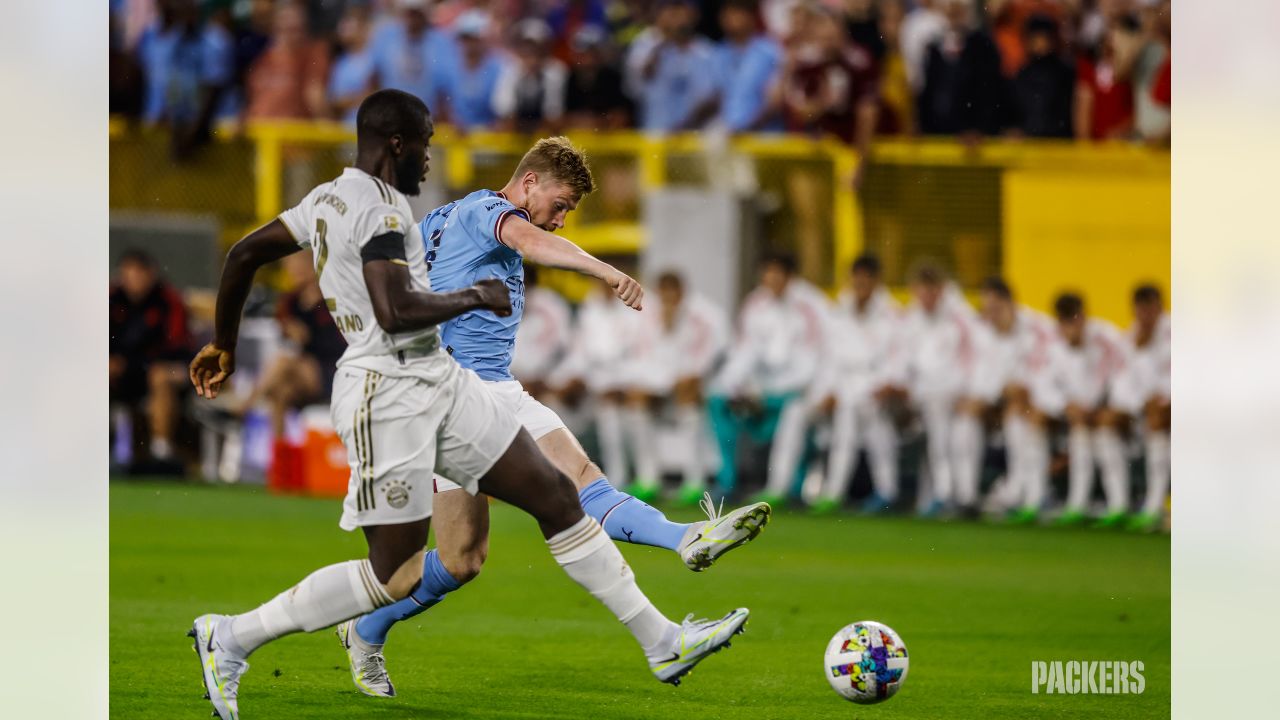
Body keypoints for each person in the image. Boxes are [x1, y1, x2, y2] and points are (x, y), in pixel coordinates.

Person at [187, 91, 749, 720]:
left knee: (535, 510)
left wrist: (223, 343)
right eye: (426, 144)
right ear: (396, 144)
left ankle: (664, 636)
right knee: (394, 574)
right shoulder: (405, 213)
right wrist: (489, 293)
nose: (432, 159)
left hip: (448, 386)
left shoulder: (330, 201)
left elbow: (243, 254)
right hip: (395, 393)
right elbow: (400, 308)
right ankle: (235, 635)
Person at [333, 134, 768, 697]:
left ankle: (363, 629)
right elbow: (524, 237)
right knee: (569, 491)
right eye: (559, 205)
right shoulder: (490, 211)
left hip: (485, 391)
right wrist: (604, 271)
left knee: (464, 558)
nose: (559, 221)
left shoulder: (445, 218)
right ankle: (670, 596)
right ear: (529, 182)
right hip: (453, 400)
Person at [708, 254, 829, 502]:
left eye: (777, 273)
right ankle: (728, 479)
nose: (771, 279)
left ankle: (786, 487)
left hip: (801, 390)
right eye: (767, 273)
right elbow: (743, 352)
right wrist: (739, 387)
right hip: (762, 390)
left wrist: (770, 393)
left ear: (790, 276)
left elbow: (813, 362)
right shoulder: (755, 303)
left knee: (796, 415)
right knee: (716, 398)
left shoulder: (812, 306)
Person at [620, 271, 731, 506]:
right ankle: (648, 478)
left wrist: (693, 376)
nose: (668, 298)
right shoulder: (649, 314)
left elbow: (713, 354)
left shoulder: (704, 315)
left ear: (682, 290)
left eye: (672, 292)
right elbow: (643, 356)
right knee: (636, 400)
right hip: (662, 381)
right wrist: (651, 383)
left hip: (698, 382)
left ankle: (695, 480)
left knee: (688, 396)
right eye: (663, 293)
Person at [236, 251, 347, 484]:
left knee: (284, 361)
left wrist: (308, 338)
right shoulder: (290, 302)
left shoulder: (334, 297)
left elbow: (341, 342)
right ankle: (281, 467)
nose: (294, 272)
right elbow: (287, 339)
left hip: (333, 371)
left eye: (299, 266)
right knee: (280, 394)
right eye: (290, 267)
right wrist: (293, 335)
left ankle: (246, 404)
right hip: (299, 373)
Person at [809, 254, 905, 514]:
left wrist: (887, 383)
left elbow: (897, 355)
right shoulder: (839, 312)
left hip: (878, 389)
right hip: (847, 387)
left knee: (876, 438)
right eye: (857, 278)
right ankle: (842, 493)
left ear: (876, 281)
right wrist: (827, 391)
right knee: (849, 437)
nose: (861, 284)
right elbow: (830, 358)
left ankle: (880, 492)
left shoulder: (891, 314)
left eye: (866, 278)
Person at [954, 278, 1055, 516]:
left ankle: (1033, 493)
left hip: (1043, 402)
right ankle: (966, 497)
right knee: (965, 422)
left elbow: (1050, 368)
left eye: (996, 308)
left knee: (1019, 418)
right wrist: (984, 399)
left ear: (1011, 303)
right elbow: (983, 381)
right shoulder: (983, 334)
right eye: (987, 310)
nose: (991, 315)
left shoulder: (1039, 328)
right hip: (1002, 403)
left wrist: (1027, 393)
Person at [1035, 292, 1130, 526]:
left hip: (1112, 410)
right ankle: (1077, 506)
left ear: (1084, 316)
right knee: (1080, 438)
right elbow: (1044, 385)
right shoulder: (1053, 345)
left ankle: (1119, 506)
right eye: (1066, 322)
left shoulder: (1107, 337)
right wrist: (1065, 405)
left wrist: (1113, 407)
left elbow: (1125, 373)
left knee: (1105, 437)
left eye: (1076, 319)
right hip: (1079, 415)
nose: (1072, 327)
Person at [897, 264, 979, 516]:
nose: (928, 297)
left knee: (962, 441)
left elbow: (974, 356)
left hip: (960, 396)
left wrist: (969, 392)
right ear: (914, 290)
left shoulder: (961, 317)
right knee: (939, 443)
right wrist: (909, 394)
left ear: (942, 290)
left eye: (933, 290)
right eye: (923, 290)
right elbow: (904, 363)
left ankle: (965, 497)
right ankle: (943, 496)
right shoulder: (909, 320)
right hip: (927, 397)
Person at [110, 250, 191, 473]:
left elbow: (177, 347)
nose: (133, 278)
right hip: (125, 373)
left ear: (151, 274)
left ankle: (160, 452)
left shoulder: (169, 301)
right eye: (128, 272)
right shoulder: (112, 299)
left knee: (160, 375)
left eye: (139, 272)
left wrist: (130, 363)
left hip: (167, 370)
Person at [1108, 284, 1170, 532]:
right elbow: (1122, 384)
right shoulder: (1128, 339)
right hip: (1145, 410)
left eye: (1150, 309)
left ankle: (1155, 506)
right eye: (1140, 310)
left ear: (1160, 308)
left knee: (1157, 420)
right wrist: (1135, 406)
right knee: (1107, 424)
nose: (1145, 316)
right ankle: (1118, 504)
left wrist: (1162, 400)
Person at [627, 0, 719, 132]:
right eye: (672, 10)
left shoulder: (706, 50)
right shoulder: (644, 44)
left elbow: (712, 97)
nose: (677, 16)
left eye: (682, 10)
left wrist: (688, 123)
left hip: (694, 136)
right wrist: (664, 43)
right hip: (655, 133)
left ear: (695, 14)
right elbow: (634, 88)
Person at [492, 19, 569, 133]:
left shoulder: (556, 71)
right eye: (527, 46)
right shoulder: (509, 69)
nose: (532, 55)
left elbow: (554, 117)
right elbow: (505, 113)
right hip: (515, 136)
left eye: (536, 48)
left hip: (546, 137)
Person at [438, 10, 503, 132]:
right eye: (465, 38)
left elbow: (501, 111)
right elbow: (442, 103)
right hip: (456, 139)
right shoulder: (449, 67)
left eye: (474, 38)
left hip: (489, 138)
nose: (469, 43)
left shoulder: (498, 68)